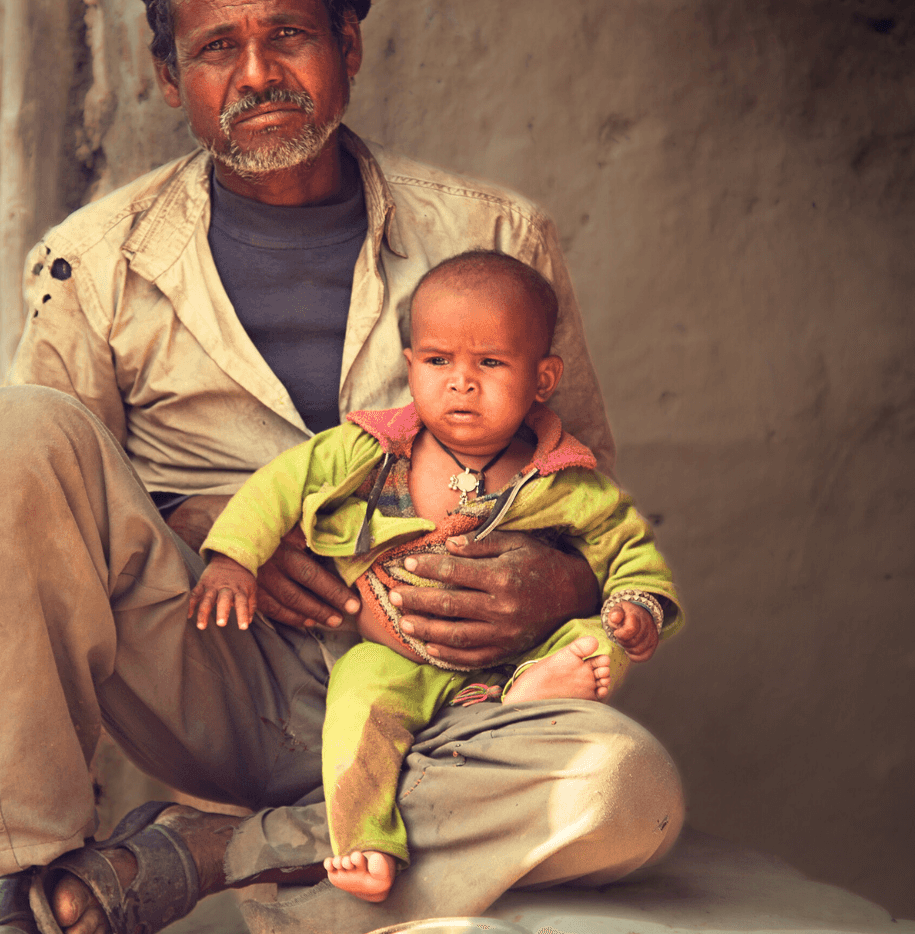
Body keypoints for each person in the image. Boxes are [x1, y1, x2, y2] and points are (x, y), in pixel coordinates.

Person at [0, 0, 684, 934]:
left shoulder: (493, 236)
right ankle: (32, 872)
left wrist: (553, 580)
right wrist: (213, 521)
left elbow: (584, 485)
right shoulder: (97, 261)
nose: (255, 76)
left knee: (626, 793)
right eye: (215, 50)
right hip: (208, 663)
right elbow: (45, 502)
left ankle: (221, 852)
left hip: (440, 693)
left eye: (285, 36)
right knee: (13, 429)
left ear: (348, 49)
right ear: (168, 80)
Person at [187, 250, 684, 904]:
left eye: (491, 363)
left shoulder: (566, 479)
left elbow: (627, 547)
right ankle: (365, 840)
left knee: (596, 643)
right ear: (410, 366)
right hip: (395, 656)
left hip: (517, 660)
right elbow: (280, 486)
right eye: (439, 361)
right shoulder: (370, 449)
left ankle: (530, 695)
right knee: (358, 702)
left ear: (543, 379)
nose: (462, 383)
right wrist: (232, 557)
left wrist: (637, 607)